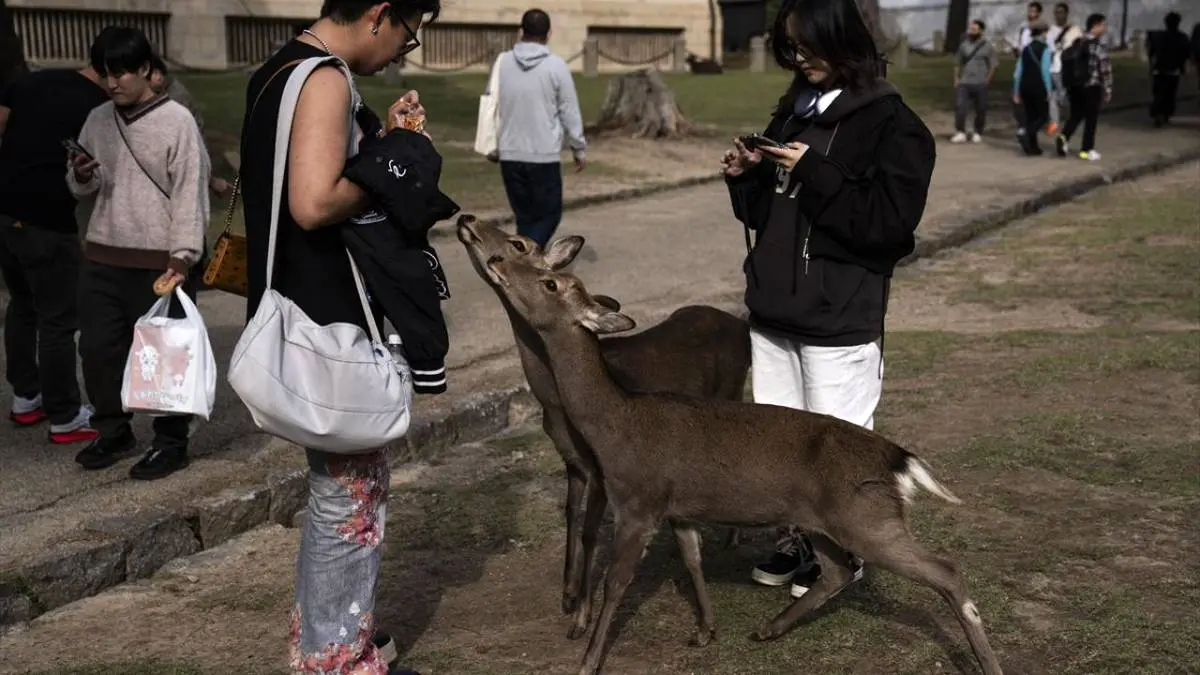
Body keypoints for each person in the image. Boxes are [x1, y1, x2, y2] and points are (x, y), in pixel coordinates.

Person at [237, 1, 438, 673]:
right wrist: (395, 166)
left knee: (339, 491)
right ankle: (336, 659)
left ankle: (327, 638)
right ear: (380, 13)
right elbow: (314, 201)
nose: (404, 49)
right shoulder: (325, 78)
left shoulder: (279, 69)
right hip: (327, 315)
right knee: (351, 497)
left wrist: (384, 141)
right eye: (409, 32)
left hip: (296, 304)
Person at [721, 0, 935, 599]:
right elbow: (771, 217)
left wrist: (815, 172)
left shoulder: (895, 126)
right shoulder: (793, 113)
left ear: (842, 39)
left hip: (838, 320)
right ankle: (798, 540)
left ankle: (846, 554)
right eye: (789, 48)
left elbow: (887, 229)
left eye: (808, 45)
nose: (799, 59)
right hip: (774, 314)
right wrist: (747, 178)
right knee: (779, 450)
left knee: (838, 449)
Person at [66, 26, 210, 479]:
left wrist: (182, 257)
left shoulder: (177, 122)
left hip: (159, 260)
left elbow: (189, 195)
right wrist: (81, 174)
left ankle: (170, 441)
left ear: (147, 69)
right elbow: (82, 187)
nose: (112, 83)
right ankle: (113, 430)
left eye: (122, 73)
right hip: (102, 253)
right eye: (105, 74)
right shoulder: (97, 120)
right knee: (97, 350)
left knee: (165, 353)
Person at [0, 29, 111, 443]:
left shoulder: (32, 80)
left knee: (23, 305)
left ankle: (26, 397)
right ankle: (65, 414)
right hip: (48, 219)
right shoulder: (100, 108)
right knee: (58, 319)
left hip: (6, 212)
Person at [493, 8, 587, 248]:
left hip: (510, 153)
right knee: (549, 215)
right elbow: (569, 110)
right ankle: (520, 256)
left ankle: (523, 264)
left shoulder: (503, 63)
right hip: (543, 155)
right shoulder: (556, 66)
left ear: (521, 31)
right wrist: (578, 148)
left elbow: (491, 103)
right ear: (549, 33)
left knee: (525, 217)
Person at [1056, 13, 1111, 161]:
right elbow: (1104, 69)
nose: (1104, 28)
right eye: (1103, 25)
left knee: (1076, 114)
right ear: (1096, 26)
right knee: (1091, 119)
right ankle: (1086, 149)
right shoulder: (1097, 46)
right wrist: (1107, 89)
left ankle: (1064, 136)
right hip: (1092, 86)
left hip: (1075, 86)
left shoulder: (1078, 42)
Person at [951, 19, 996, 143]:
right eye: (971, 29)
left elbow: (993, 65)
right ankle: (960, 131)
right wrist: (956, 78)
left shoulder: (988, 47)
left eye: (974, 29)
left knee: (981, 108)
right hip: (964, 82)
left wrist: (987, 80)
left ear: (981, 31)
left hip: (980, 83)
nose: (971, 31)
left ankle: (977, 131)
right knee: (960, 107)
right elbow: (957, 62)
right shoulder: (964, 45)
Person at [1013, 21, 1053, 156]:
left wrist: (1016, 91)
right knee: (1043, 116)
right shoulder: (1044, 49)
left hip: (1025, 85)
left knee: (1030, 116)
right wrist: (1048, 89)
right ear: (1043, 32)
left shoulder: (1026, 49)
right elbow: (1045, 71)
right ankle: (1026, 133)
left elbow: (1018, 71)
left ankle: (1032, 147)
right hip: (1038, 85)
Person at [1146, 12, 1191, 127]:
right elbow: (1186, 55)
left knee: (1158, 93)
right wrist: (1183, 69)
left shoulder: (1158, 36)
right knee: (1170, 94)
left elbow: (1151, 53)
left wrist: (1151, 66)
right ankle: (1166, 114)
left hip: (1159, 69)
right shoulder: (1182, 37)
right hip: (1173, 70)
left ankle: (1158, 114)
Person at [1048, 3, 1083, 131]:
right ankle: (1054, 121)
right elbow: (1049, 50)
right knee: (1052, 95)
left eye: (1061, 12)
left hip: (1067, 67)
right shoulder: (1050, 31)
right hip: (1053, 67)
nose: (1059, 15)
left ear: (1066, 14)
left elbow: (1079, 48)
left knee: (1063, 95)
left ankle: (1071, 116)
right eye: (1056, 13)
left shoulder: (1074, 30)